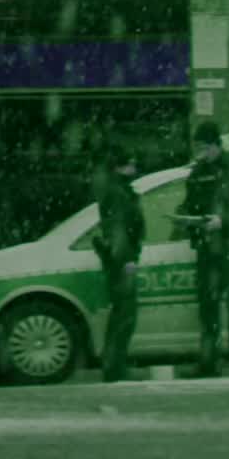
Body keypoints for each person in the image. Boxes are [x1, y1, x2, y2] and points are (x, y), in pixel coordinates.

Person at [176, 118, 229, 377]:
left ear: (216, 145)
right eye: (197, 147)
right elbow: (190, 204)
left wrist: (224, 221)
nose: (200, 152)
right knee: (208, 305)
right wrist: (185, 219)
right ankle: (209, 362)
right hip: (206, 247)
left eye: (204, 147)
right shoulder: (197, 173)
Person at [91, 143, 148, 382]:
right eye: (131, 164)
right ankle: (115, 367)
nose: (134, 168)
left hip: (118, 260)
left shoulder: (116, 191)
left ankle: (114, 365)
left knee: (122, 314)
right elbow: (120, 232)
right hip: (122, 262)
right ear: (120, 167)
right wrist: (127, 260)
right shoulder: (119, 194)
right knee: (125, 315)